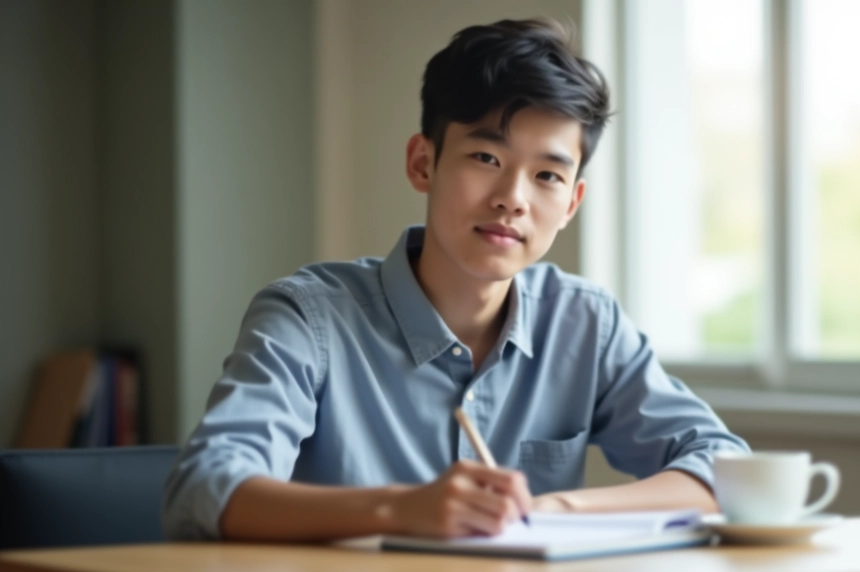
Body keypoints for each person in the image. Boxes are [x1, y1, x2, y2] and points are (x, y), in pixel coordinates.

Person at [162, 17, 749, 542]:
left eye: (546, 175)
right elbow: (205, 489)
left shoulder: (584, 322)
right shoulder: (307, 318)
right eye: (487, 159)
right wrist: (400, 510)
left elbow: (723, 464)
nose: (512, 200)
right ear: (423, 162)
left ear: (571, 203)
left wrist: (563, 508)